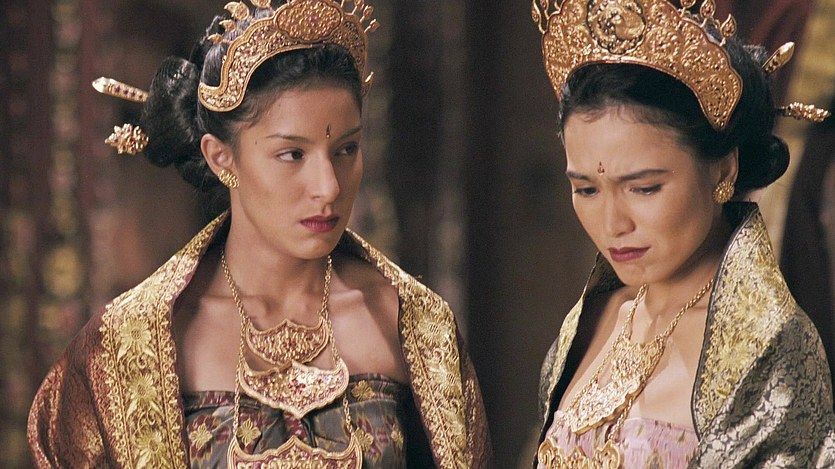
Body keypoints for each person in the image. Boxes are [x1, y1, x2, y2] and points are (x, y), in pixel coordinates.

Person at [27, 0, 491, 467]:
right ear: (221, 157)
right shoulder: (133, 344)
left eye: (346, 150)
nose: (328, 187)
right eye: (293, 155)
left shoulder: (413, 327)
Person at [529, 0, 835, 466]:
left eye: (644, 188)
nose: (613, 225)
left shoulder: (767, 347)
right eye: (587, 190)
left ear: (723, 170)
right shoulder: (590, 322)